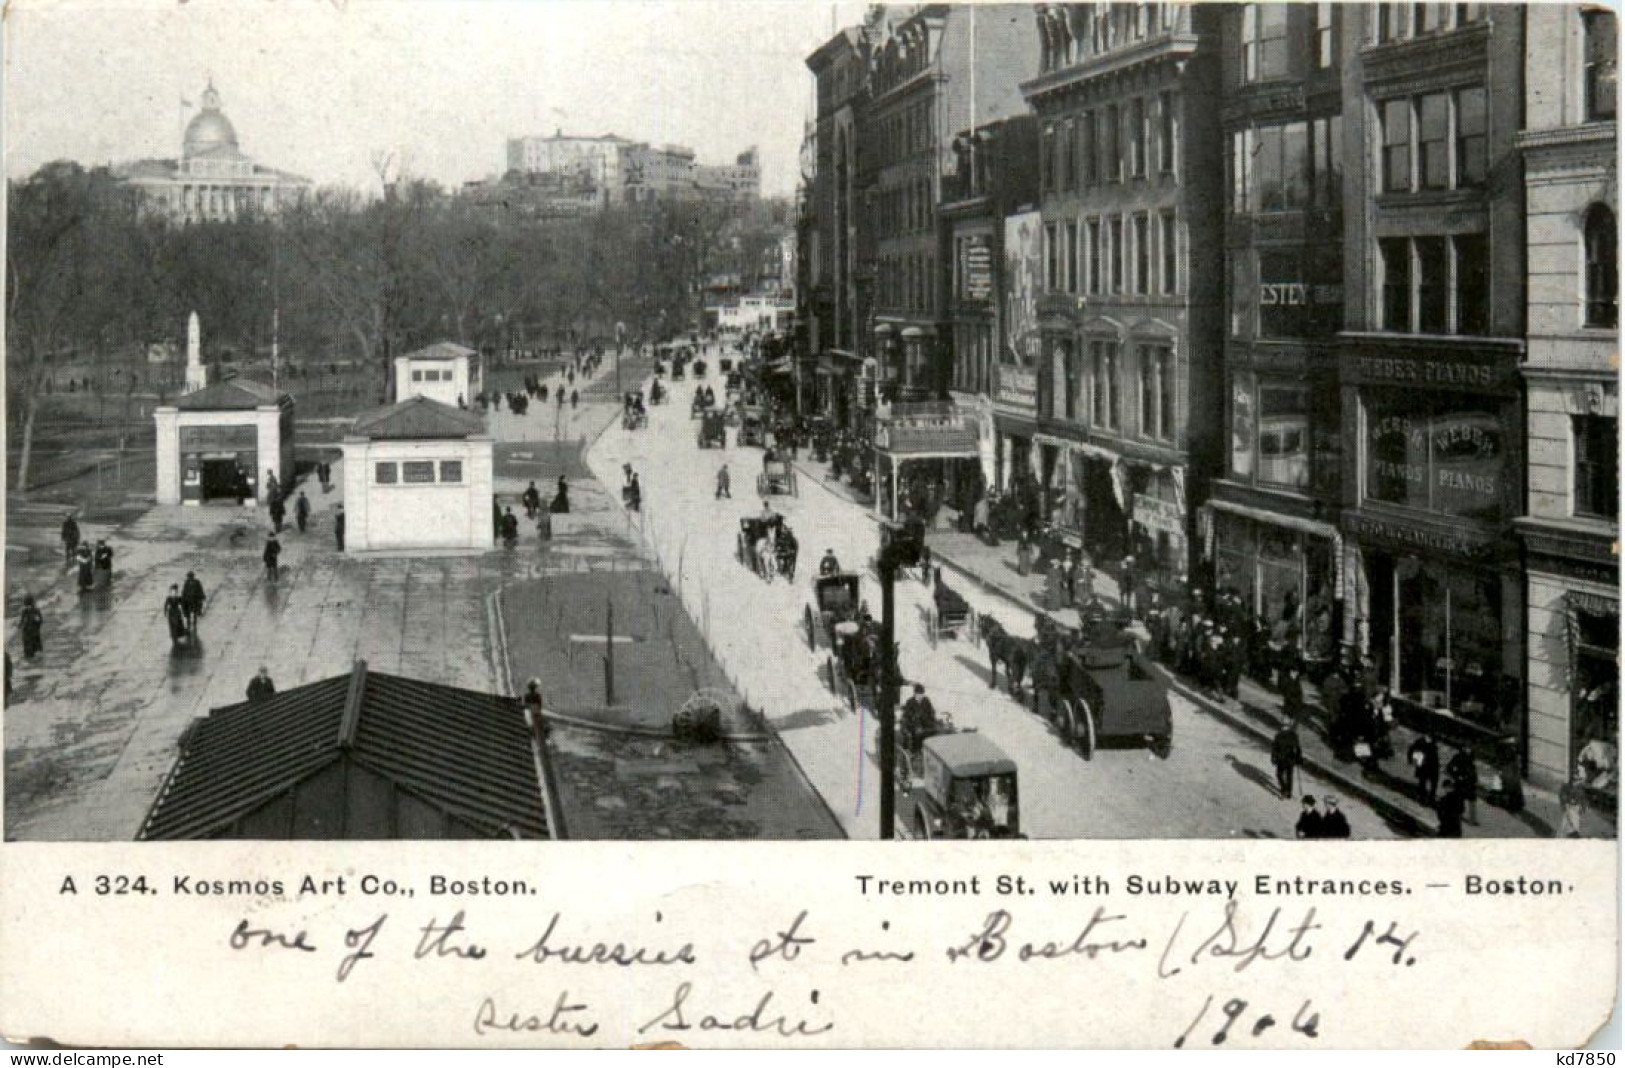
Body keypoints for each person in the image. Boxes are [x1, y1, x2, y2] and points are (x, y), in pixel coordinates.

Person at [1445, 747, 1480, 826]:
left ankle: (1472, 819)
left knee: (1472, 800)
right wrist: (1457, 775)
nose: (1468, 749)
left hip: (1470, 782)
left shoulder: (1471, 757)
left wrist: (1474, 779)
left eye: (1469, 748)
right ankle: (1458, 815)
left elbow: (1472, 770)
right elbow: (1450, 767)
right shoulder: (1458, 757)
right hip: (1462, 782)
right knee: (1460, 799)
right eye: (1466, 748)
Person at [900, 684, 938, 753]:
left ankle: (930, 749)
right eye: (919, 694)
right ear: (915, 693)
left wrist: (932, 721)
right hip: (913, 724)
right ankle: (916, 751)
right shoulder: (910, 702)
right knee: (918, 734)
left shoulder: (926, 700)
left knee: (934, 730)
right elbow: (907, 715)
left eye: (922, 694)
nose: (920, 696)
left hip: (926, 723)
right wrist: (916, 723)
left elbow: (931, 711)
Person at [1271, 722, 1303, 799]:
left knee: (1281, 775)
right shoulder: (1291, 735)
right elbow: (1298, 748)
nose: (1284, 728)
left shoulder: (1279, 735)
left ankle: (1285, 790)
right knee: (1287, 776)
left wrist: (1273, 757)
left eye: (1285, 726)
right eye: (1283, 726)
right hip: (1287, 758)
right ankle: (1287, 791)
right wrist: (1298, 758)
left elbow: (1297, 748)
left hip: (1283, 758)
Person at [1409, 735, 1441, 804]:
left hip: (1433, 767)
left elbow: (1435, 756)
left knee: (1433, 783)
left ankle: (1430, 798)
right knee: (1422, 782)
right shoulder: (1420, 743)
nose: (1429, 738)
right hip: (1423, 766)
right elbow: (1412, 751)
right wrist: (1415, 761)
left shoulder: (1433, 744)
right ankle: (1421, 797)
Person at [1560, 769, 1588, 838]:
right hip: (1569, 807)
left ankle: (1573, 835)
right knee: (1566, 824)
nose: (1577, 782)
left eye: (1578, 780)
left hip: (1576, 808)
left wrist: (1583, 808)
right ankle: (1563, 837)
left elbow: (1582, 798)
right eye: (1575, 780)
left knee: (1575, 824)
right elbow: (1562, 796)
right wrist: (1565, 805)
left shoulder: (1580, 789)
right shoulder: (1566, 787)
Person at [19, 595, 43, 659]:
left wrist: (37, 620)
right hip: (26, 631)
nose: (28, 607)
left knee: (34, 644)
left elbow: (40, 620)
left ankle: (34, 655)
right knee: (27, 644)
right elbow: (22, 620)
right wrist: (20, 625)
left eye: (29, 605)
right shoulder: (24, 611)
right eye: (27, 605)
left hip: (34, 631)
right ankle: (28, 655)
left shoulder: (36, 610)